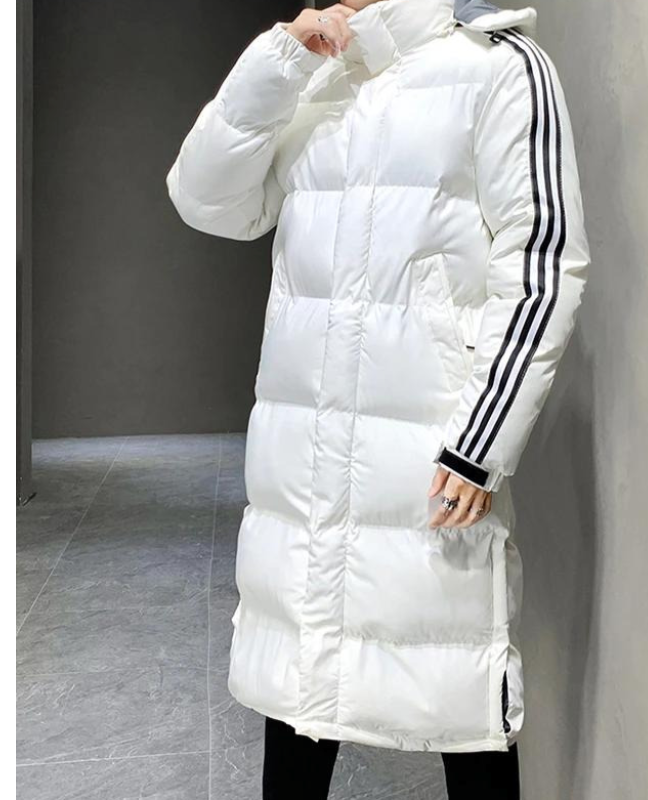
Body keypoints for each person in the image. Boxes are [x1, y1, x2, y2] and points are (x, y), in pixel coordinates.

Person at [166, 0, 589, 796]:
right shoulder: (318, 74)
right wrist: (280, 62)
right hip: (304, 471)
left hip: (425, 465)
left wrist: (480, 442)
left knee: (458, 689)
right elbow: (208, 201)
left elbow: (540, 266)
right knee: (300, 691)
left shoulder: (499, 67)